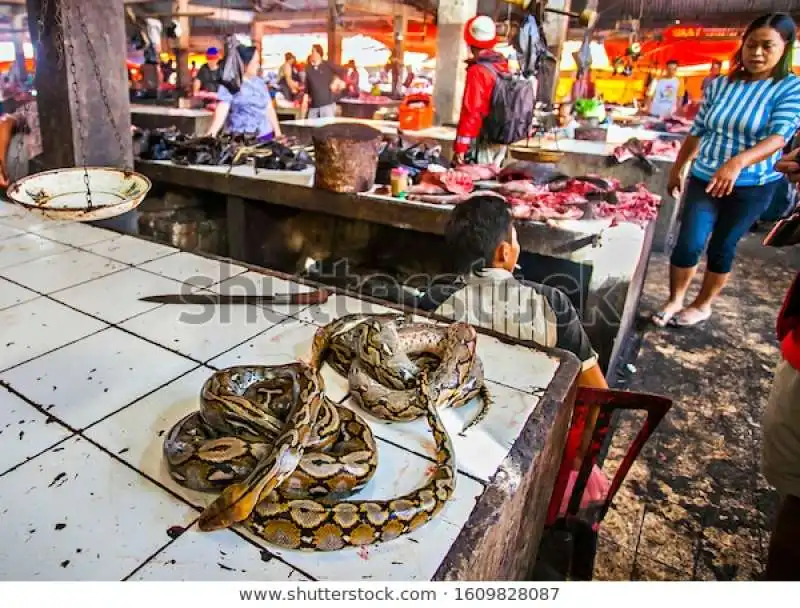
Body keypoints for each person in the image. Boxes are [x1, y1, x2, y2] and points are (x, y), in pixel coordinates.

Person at [653, 13, 800, 328]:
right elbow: (699, 129)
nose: (756, 53)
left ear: (785, 48)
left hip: (753, 185)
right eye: (751, 44)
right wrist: (679, 167)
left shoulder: (790, 88)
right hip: (705, 177)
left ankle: (702, 304)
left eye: (767, 46)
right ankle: (675, 298)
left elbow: (779, 137)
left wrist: (738, 162)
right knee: (689, 242)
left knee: (723, 245)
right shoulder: (720, 84)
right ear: (742, 45)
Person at [419, 195, 608, 390]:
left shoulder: (435, 300)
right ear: (504, 252)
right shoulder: (552, 302)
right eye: (516, 240)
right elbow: (596, 389)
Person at [453, 15, 510, 168]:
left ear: (470, 42)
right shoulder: (501, 65)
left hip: (482, 141)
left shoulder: (478, 71)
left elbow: (471, 111)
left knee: (476, 185)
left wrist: (461, 146)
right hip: (500, 140)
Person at [206, 44, 282, 140]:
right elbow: (221, 113)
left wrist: (278, 133)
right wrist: (209, 136)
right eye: (255, 63)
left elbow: (269, 108)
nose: (258, 66)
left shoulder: (260, 83)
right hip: (242, 139)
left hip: (266, 136)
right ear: (244, 65)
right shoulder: (231, 84)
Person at [302, 44, 345, 119]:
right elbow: (307, 88)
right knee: (311, 128)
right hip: (314, 106)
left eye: (313, 51)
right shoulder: (308, 69)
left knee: (327, 128)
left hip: (327, 105)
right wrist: (304, 102)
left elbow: (343, 71)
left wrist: (336, 81)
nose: (312, 54)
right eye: (311, 52)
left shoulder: (327, 65)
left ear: (319, 53)